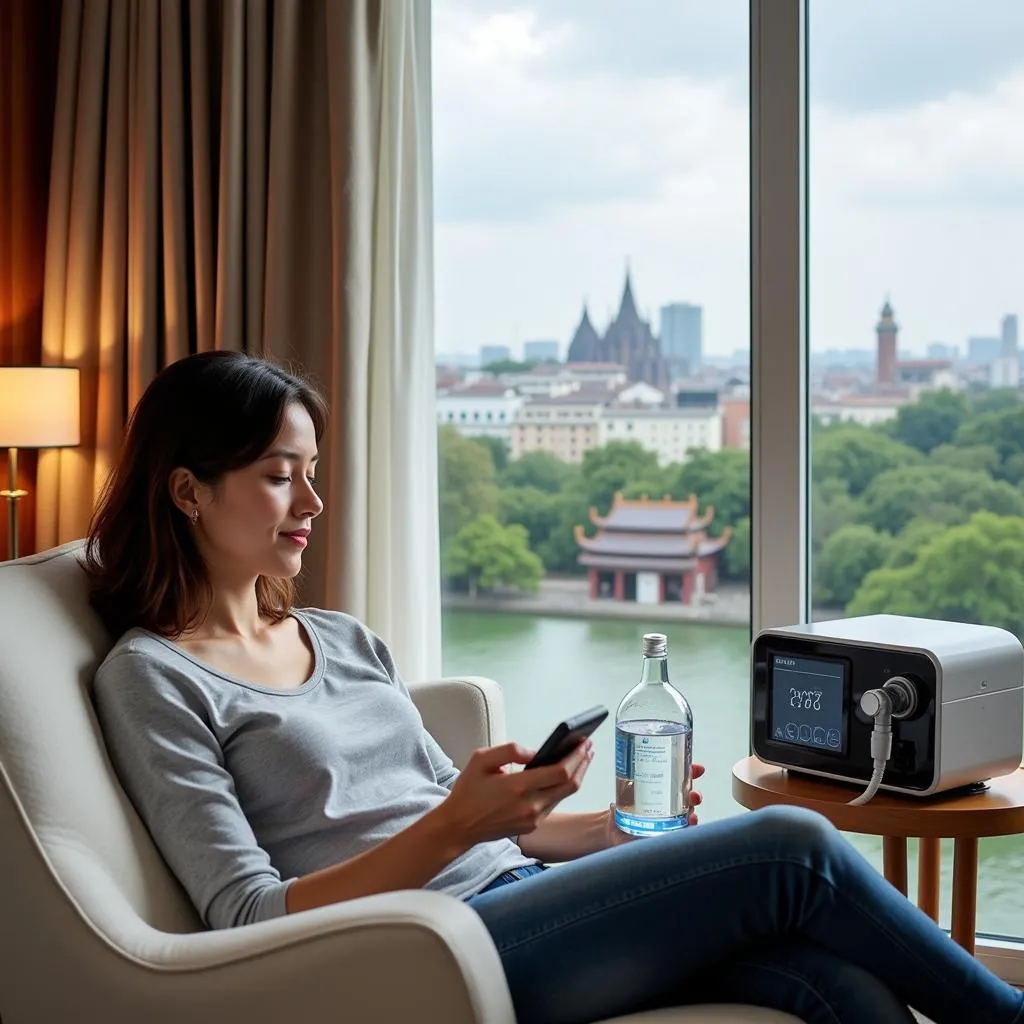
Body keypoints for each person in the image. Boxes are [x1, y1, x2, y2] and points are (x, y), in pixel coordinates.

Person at [87, 351, 1023, 1024]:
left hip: (517, 893)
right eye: (279, 477)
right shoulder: (153, 676)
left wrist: (601, 829)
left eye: (315, 474)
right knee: (791, 841)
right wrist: (458, 822)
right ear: (187, 491)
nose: (314, 504)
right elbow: (247, 915)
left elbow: (485, 828)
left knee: (833, 987)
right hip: (421, 953)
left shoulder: (339, 638)